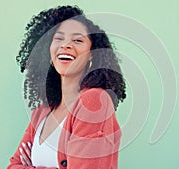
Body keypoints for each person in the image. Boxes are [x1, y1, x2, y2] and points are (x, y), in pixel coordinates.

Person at [7, 5, 126, 169]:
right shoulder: (41, 112)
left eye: (78, 40)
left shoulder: (94, 101)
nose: (66, 45)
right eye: (58, 38)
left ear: (92, 53)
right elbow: (13, 165)